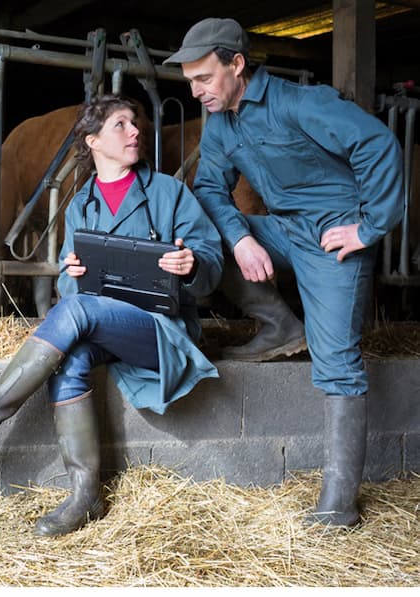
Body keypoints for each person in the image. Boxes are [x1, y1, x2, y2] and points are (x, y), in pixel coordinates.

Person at [0, 95, 224, 537]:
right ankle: (85, 495)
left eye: (134, 123)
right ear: (93, 141)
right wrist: (72, 275)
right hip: (102, 327)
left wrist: (192, 265)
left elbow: (213, 268)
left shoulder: (169, 192)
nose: (135, 131)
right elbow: (70, 286)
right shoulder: (82, 202)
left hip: (161, 332)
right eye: (121, 125)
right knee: (74, 353)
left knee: (77, 312)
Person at [163, 18, 405, 527]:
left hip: (333, 237)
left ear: (237, 65)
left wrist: (369, 228)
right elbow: (209, 188)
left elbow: (378, 144)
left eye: (204, 78)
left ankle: (339, 506)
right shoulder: (221, 126)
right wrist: (243, 238)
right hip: (283, 230)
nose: (196, 90)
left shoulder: (302, 103)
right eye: (190, 81)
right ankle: (279, 325)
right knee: (206, 233)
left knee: (336, 359)